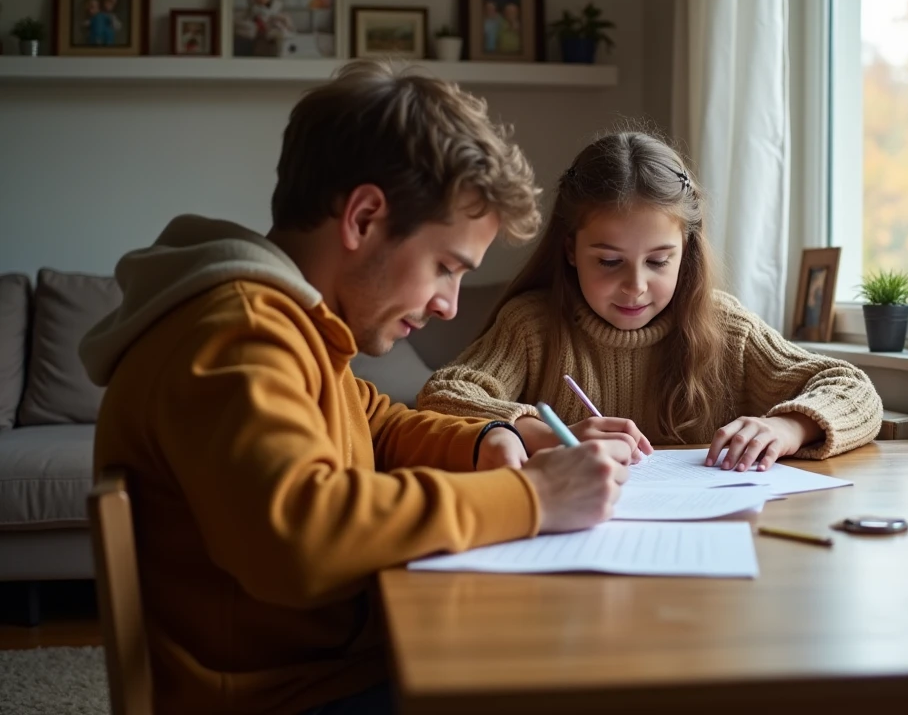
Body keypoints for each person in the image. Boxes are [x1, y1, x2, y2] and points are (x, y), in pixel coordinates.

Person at [79, 61, 636, 715]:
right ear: (365, 217)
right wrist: (535, 495)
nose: (449, 305)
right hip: (287, 697)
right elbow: (300, 538)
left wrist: (494, 437)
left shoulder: (297, 323)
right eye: (445, 267)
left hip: (325, 669)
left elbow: (379, 425)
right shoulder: (240, 332)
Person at [418, 131, 883, 472]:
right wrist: (545, 435)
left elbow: (853, 389)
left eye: (659, 261)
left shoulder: (724, 326)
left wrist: (788, 428)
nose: (635, 285)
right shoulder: (532, 326)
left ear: (687, 251)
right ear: (570, 251)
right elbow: (439, 400)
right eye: (609, 261)